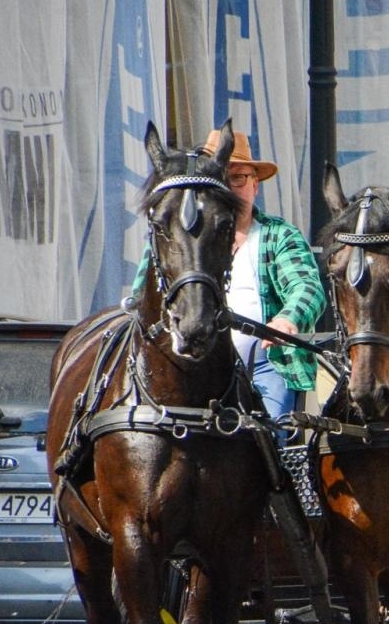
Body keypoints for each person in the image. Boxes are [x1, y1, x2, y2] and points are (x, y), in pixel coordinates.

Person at [132, 130, 325, 423]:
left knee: (271, 438)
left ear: (255, 185)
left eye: (239, 178)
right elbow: (139, 298)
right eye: (224, 179)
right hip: (185, 368)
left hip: (264, 366)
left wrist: (288, 319)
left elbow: (307, 287)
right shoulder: (172, 237)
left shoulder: (279, 235)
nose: (231, 188)